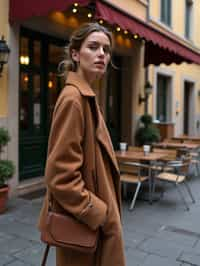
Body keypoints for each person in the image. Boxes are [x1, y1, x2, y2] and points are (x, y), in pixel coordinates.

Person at [38, 22, 126, 266]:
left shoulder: (86, 97)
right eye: (93, 47)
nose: (101, 54)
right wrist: (100, 213)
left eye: (106, 50)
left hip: (90, 229)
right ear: (75, 54)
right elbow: (60, 176)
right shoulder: (74, 99)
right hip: (85, 229)